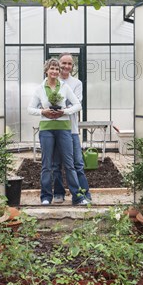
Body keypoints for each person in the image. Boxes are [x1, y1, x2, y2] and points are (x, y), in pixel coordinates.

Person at [27, 58, 90, 206]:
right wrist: (43, 111)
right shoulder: (40, 89)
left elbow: (77, 105)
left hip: (64, 129)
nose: (55, 71)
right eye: (52, 69)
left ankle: (78, 197)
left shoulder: (64, 87)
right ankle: (46, 196)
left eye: (57, 69)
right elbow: (30, 109)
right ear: (46, 71)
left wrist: (64, 112)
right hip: (46, 130)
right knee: (47, 165)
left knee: (69, 164)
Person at [52, 53, 92, 203]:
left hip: (72, 129)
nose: (66, 66)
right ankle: (58, 193)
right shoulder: (51, 81)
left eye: (69, 64)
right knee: (56, 164)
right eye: (64, 63)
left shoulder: (77, 83)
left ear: (72, 66)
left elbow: (77, 104)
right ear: (58, 63)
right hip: (55, 128)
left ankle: (84, 193)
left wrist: (62, 108)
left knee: (78, 163)